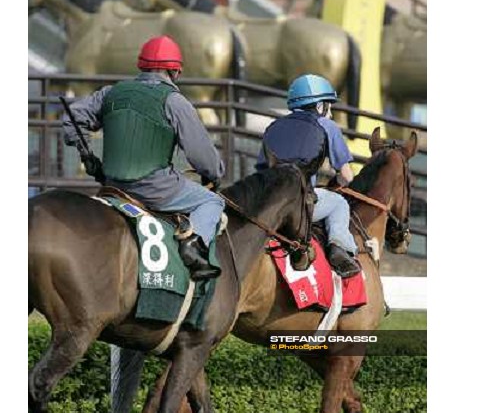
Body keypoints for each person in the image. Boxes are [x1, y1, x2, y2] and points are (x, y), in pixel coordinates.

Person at [62, 35, 225, 280]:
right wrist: (215, 173)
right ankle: (193, 249)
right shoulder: (175, 102)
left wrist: (88, 156)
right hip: (157, 191)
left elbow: (71, 119)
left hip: (113, 186)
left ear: (141, 66)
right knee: (211, 202)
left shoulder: (110, 92)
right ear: (176, 71)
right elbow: (204, 159)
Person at [257, 74, 361, 278]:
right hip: (300, 206)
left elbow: (261, 170)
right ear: (320, 105)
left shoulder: (273, 127)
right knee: (339, 203)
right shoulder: (327, 126)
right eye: (329, 106)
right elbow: (347, 177)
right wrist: (335, 184)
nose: (330, 113)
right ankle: (339, 251)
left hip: (266, 204)